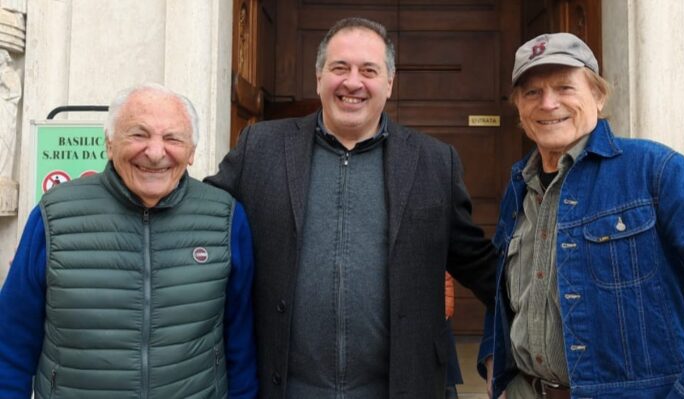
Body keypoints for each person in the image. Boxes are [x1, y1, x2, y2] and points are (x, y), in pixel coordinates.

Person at [206, 17, 497, 399]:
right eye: (339, 68)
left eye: (369, 71)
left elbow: (479, 264)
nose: (352, 82)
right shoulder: (260, 148)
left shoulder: (435, 162)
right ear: (318, 77)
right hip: (284, 387)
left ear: (389, 83)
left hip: (401, 388)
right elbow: (201, 220)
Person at [479, 32, 684, 399]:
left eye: (565, 87)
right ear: (518, 105)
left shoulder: (655, 171)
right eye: (532, 92)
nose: (548, 103)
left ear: (598, 96)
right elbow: (504, 294)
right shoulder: (519, 185)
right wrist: (495, 369)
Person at [0, 83, 259, 398]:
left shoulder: (226, 219)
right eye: (138, 134)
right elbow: (10, 346)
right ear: (109, 144)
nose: (154, 152)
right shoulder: (54, 216)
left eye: (173, 138)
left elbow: (241, 346)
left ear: (191, 152)